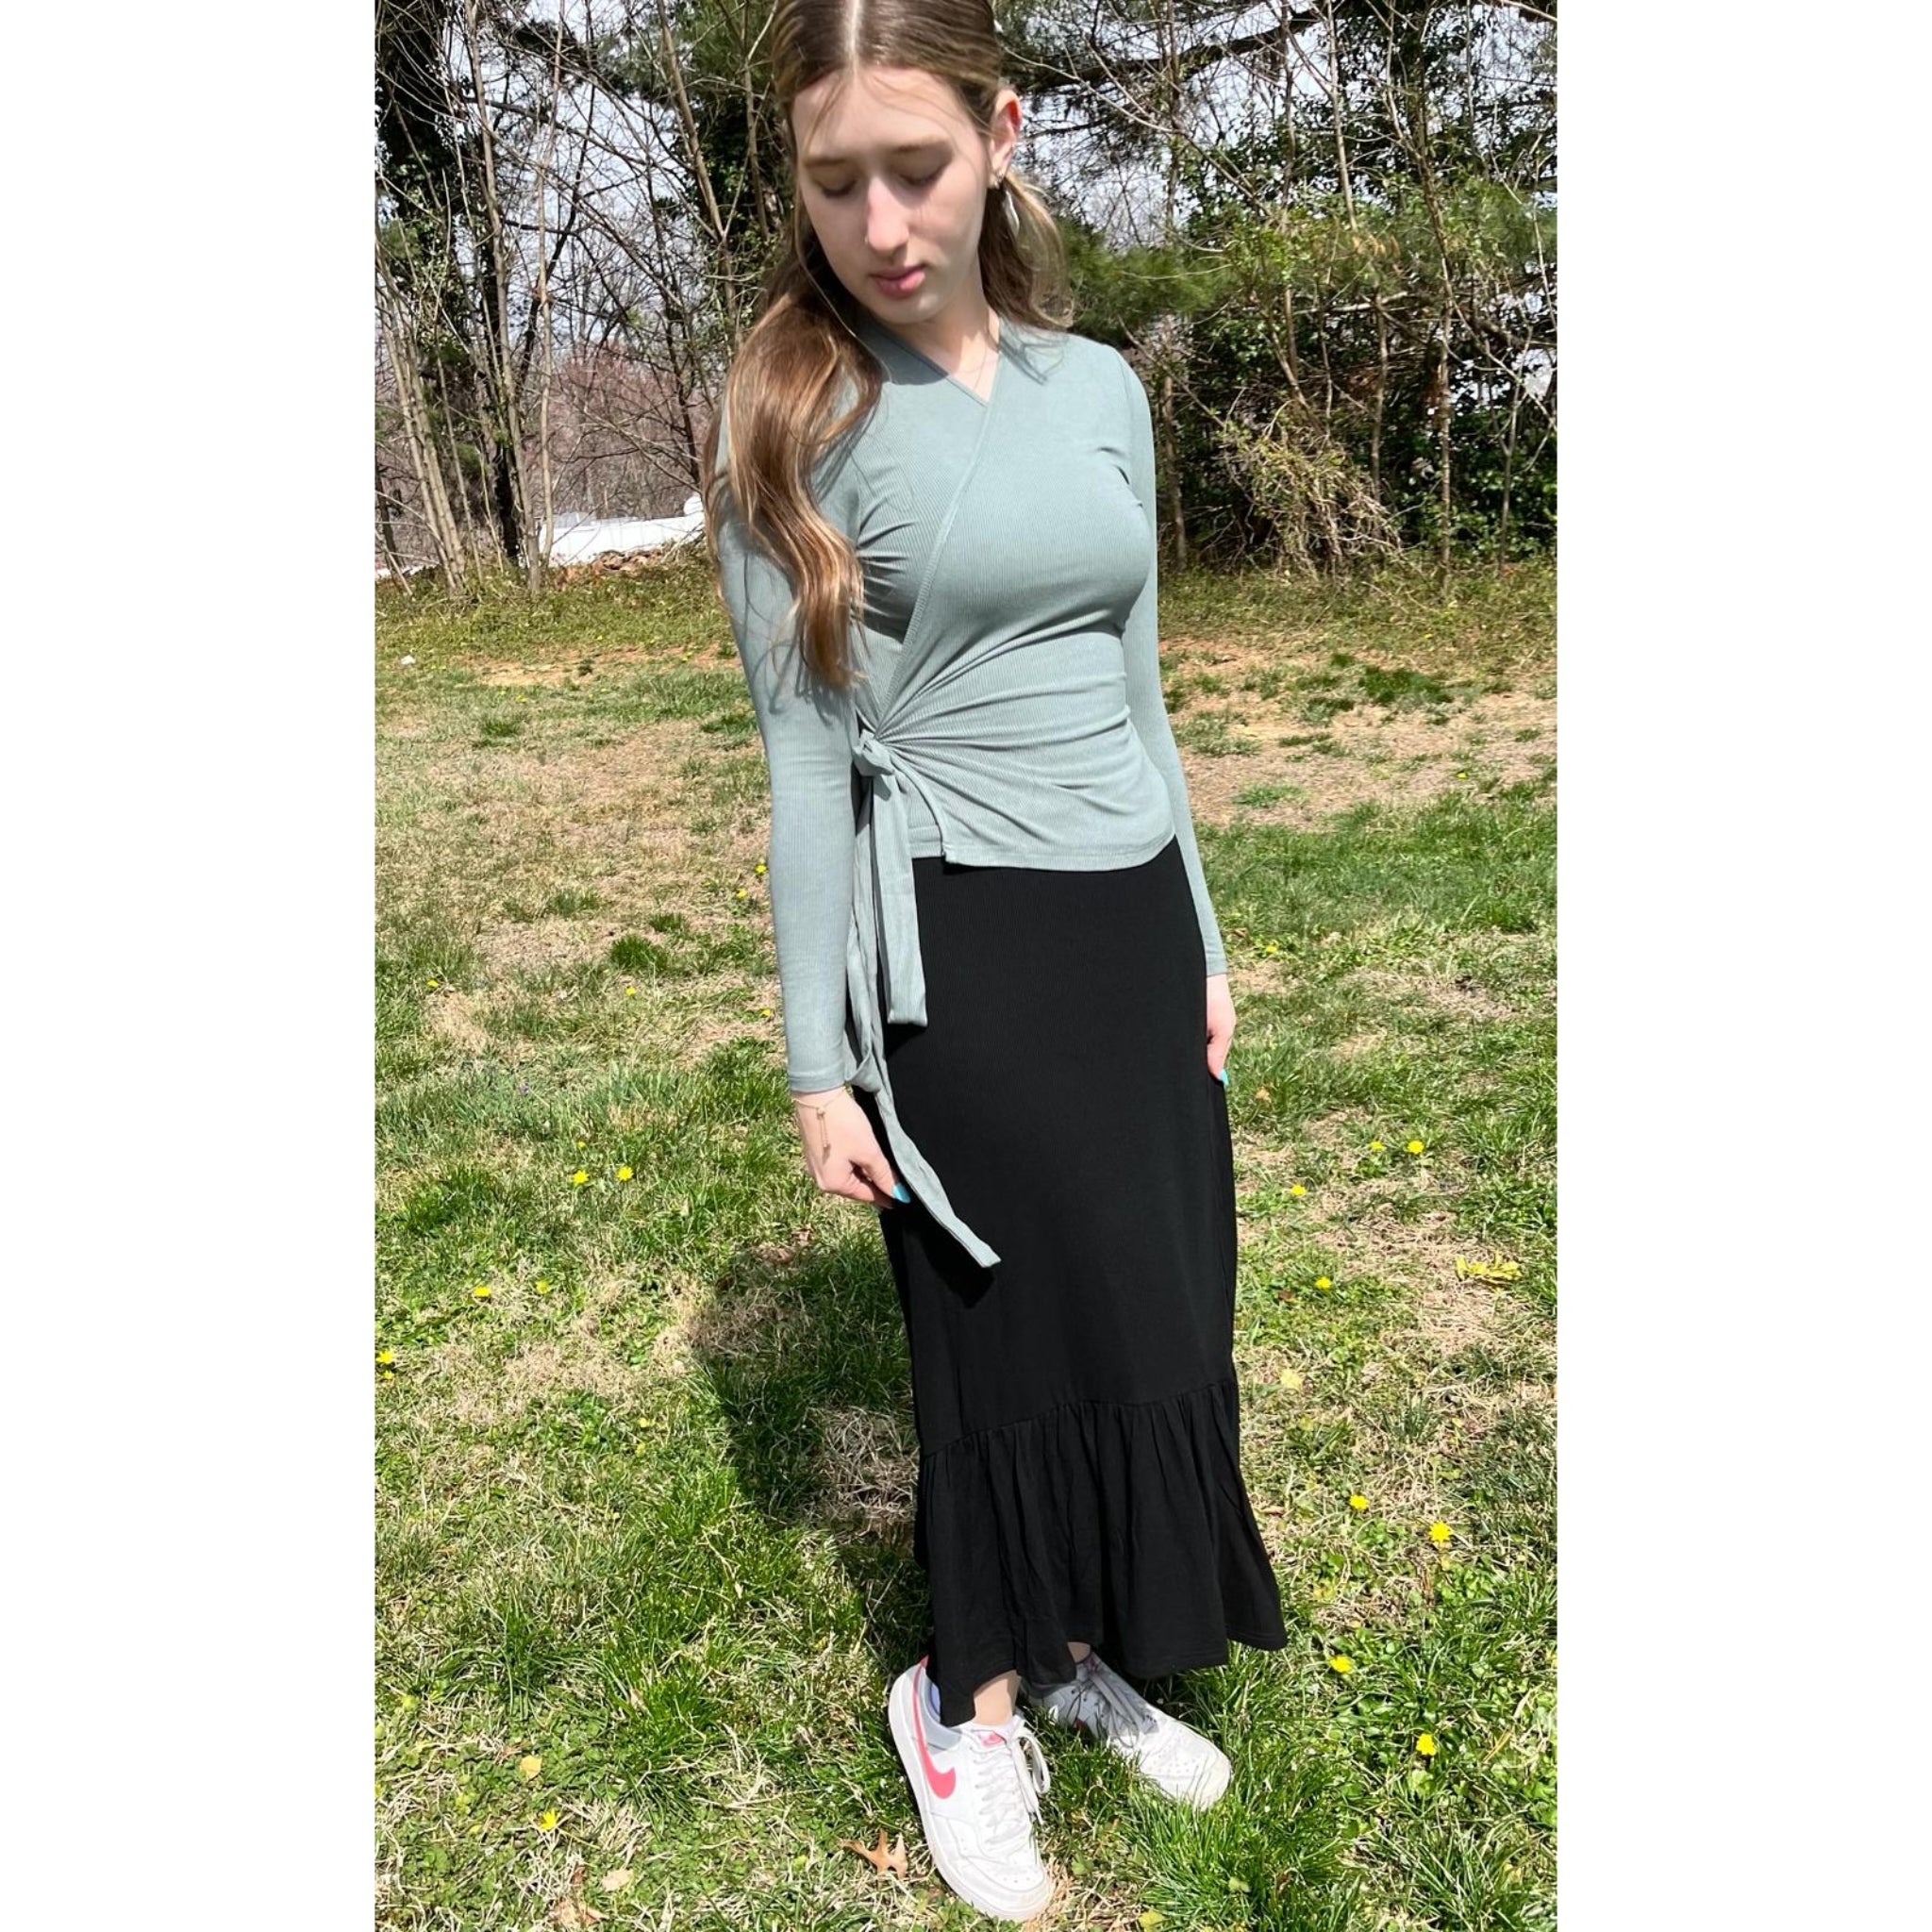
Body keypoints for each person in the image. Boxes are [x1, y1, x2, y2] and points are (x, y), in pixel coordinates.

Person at [702, 4, 1288, 1920]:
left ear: (1003, 134)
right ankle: (963, 1706)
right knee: (1005, 1341)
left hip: (1126, 916)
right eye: (835, 180)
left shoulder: (1098, 388)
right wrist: (817, 1062)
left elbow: (1139, 687)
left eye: (917, 167)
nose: (880, 222)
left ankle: (1082, 1636)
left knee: (1152, 1308)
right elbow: (803, 764)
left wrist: (1200, 934)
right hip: (955, 937)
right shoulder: (796, 421)